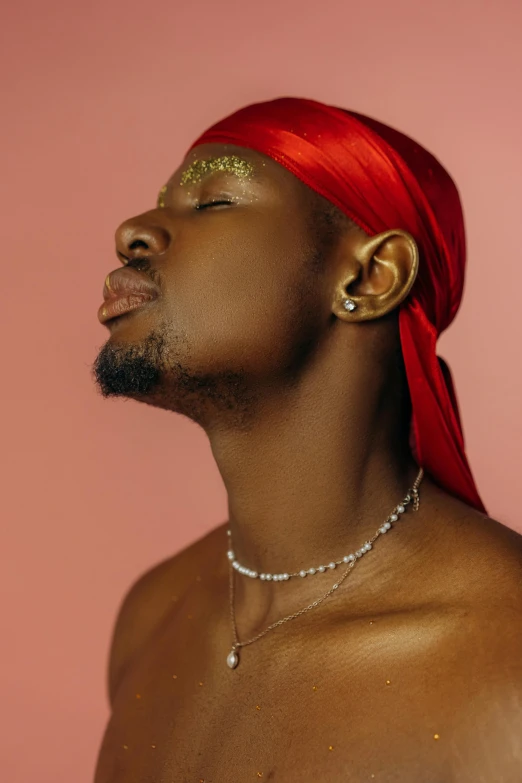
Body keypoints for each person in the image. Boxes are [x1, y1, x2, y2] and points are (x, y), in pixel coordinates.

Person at [92, 97, 522, 782]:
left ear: (369, 276)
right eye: (160, 203)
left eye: (214, 202)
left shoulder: (508, 655)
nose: (133, 232)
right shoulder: (154, 619)